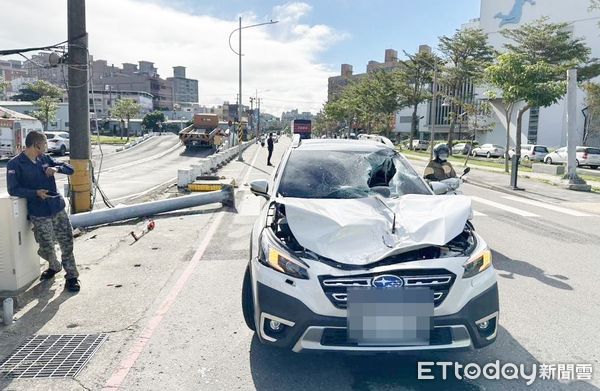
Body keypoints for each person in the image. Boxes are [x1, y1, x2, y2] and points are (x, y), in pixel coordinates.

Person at [6, 131, 80, 292]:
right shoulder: (15, 164)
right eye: (44, 143)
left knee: (66, 241)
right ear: (35, 144)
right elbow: (13, 189)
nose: (46, 146)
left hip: (56, 207)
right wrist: (35, 193)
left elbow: (70, 169)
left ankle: (72, 276)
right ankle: (54, 266)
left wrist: (56, 168)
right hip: (38, 211)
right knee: (45, 245)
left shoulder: (45, 159)